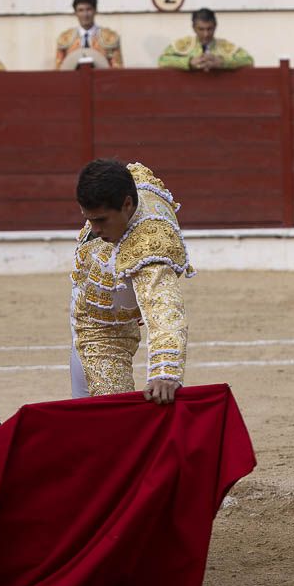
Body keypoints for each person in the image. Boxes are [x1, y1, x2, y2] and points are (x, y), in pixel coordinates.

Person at [70, 159, 194, 405]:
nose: (94, 229)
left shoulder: (150, 244)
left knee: (109, 415)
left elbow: (164, 307)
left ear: (127, 205)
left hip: (106, 328)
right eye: (89, 219)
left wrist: (165, 370)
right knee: (92, 411)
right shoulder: (125, 184)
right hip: (94, 309)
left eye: (102, 220)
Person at [158, 8, 253, 71]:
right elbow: (162, 61)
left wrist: (222, 62)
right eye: (201, 29)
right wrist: (189, 62)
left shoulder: (224, 46)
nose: (206, 34)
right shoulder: (184, 44)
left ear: (215, 27)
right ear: (194, 28)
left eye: (209, 29)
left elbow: (249, 61)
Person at [55, 0, 123, 69]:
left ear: (95, 11)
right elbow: (59, 70)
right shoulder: (65, 38)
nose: (85, 14)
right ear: (75, 13)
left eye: (88, 9)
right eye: (81, 10)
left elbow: (117, 70)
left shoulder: (110, 37)